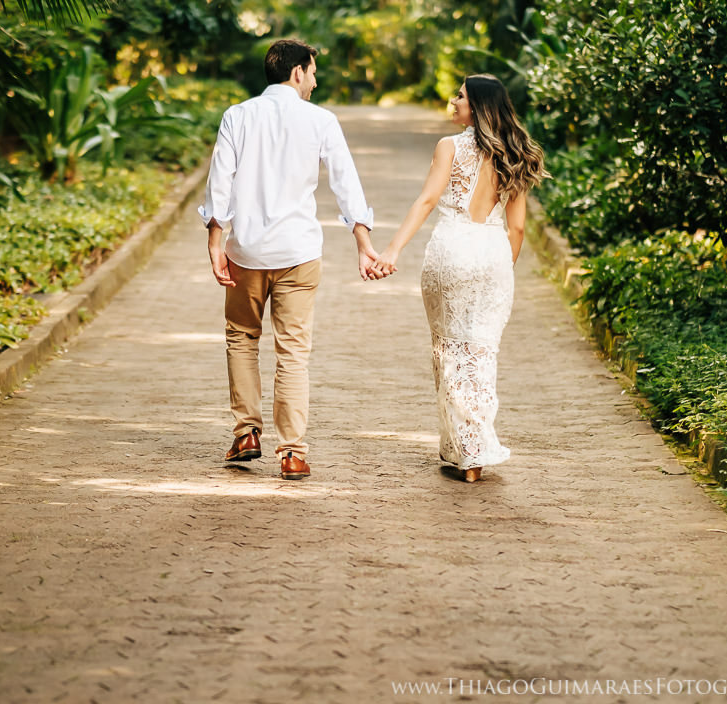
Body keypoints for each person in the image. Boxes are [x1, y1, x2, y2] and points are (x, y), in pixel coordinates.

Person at [199, 38, 377, 481]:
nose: (315, 82)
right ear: (296, 72)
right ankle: (292, 452)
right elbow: (345, 182)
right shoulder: (320, 120)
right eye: (313, 72)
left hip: (247, 252)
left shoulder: (237, 116)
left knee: (242, 337)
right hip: (299, 253)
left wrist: (216, 241)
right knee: (293, 351)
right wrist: (362, 239)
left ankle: (246, 433)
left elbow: (220, 181)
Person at [368, 74, 547, 481]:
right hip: (492, 254)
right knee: (481, 354)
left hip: (451, 250)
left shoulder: (449, 147)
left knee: (450, 352)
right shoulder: (515, 152)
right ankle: (473, 451)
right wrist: (503, 267)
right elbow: (516, 229)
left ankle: (465, 449)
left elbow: (429, 199)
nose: (453, 101)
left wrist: (393, 249)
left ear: (480, 107)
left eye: (461, 97)